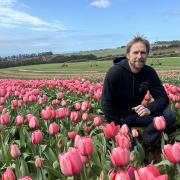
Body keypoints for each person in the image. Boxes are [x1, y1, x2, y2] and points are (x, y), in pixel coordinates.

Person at [101, 35, 176, 145]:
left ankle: (145, 139)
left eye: (143, 52)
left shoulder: (149, 72)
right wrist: (118, 126)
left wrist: (148, 109)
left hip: (136, 115)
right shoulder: (115, 72)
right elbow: (106, 103)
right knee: (127, 150)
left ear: (147, 54)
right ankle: (131, 142)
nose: (139, 56)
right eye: (135, 52)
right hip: (121, 119)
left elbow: (163, 98)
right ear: (128, 55)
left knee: (169, 115)